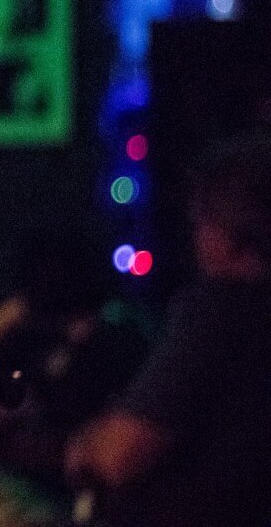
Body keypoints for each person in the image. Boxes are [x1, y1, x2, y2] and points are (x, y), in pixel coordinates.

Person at [64, 141, 271, 525]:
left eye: (202, 222)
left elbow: (117, 456)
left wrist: (83, 444)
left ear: (223, 233)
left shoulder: (219, 311)